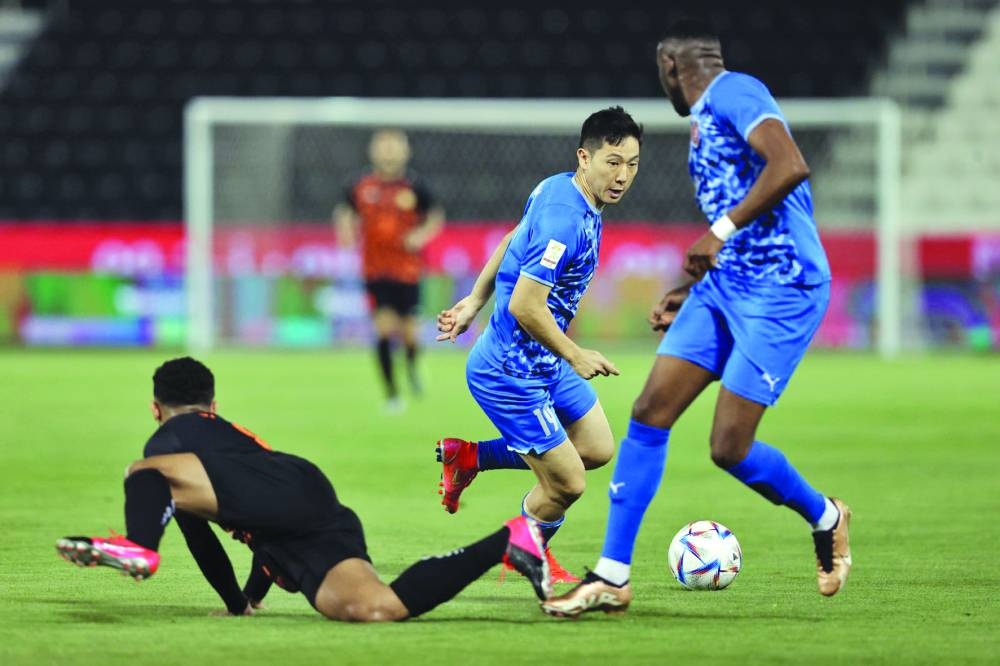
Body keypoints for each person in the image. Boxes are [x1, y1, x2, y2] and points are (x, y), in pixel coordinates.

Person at [542, 20, 852, 618]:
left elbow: (790, 165)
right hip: (726, 286)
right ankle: (611, 576)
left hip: (782, 291)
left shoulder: (735, 92)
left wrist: (719, 230)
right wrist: (688, 285)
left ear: (669, 66)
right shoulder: (707, 120)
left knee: (728, 447)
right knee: (649, 411)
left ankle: (827, 516)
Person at [55, 357, 550, 621]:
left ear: (155, 408)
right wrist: (243, 603)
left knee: (142, 469)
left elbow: (202, 539)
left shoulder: (168, 447)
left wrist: (228, 596)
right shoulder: (216, 448)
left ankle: (138, 546)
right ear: (213, 402)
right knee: (375, 608)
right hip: (305, 501)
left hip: (278, 498)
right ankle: (509, 540)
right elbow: (260, 518)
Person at [434, 107, 643, 584]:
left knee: (596, 446)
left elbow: (511, 239)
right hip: (509, 373)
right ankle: (525, 552)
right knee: (568, 483)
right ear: (584, 157)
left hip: (541, 361)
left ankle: (469, 457)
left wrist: (472, 299)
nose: (622, 176)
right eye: (612, 162)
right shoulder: (563, 220)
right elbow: (526, 306)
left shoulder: (556, 187)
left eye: (632, 164)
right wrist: (576, 353)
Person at [334, 129, 445, 412]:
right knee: (383, 329)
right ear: (373, 151)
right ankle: (392, 394)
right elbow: (344, 211)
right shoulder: (361, 185)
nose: (389, 152)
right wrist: (345, 230)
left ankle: (412, 366)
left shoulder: (414, 186)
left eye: (394, 146)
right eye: (383, 146)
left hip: (408, 271)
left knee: (409, 333)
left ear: (405, 151)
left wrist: (420, 235)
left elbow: (434, 215)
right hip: (375, 270)